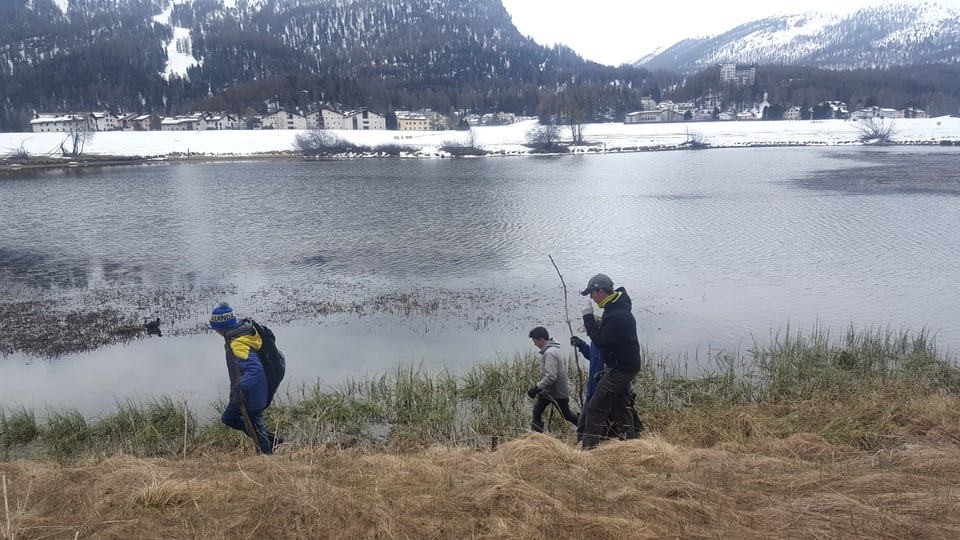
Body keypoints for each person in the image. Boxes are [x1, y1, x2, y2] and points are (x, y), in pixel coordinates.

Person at [579, 273, 643, 449]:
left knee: (594, 408)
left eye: (592, 293)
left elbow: (601, 342)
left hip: (620, 369)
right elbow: (607, 340)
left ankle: (588, 450)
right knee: (621, 404)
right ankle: (632, 440)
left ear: (600, 291)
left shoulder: (616, 314)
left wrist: (588, 318)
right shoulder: (614, 308)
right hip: (624, 366)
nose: (591, 297)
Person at [210, 302, 279, 454]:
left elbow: (255, 370)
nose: (216, 332)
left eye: (216, 328)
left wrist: (238, 387)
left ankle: (268, 458)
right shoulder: (238, 335)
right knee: (229, 418)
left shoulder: (238, 344)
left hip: (251, 392)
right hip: (249, 391)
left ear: (222, 328)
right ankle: (273, 441)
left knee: (257, 427)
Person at [527, 326, 580, 432]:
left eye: (535, 341)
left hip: (557, 392)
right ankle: (536, 438)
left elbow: (551, 376)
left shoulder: (549, 353)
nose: (534, 344)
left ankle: (587, 427)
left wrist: (537, 388)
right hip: (548, 392)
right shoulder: (551, 350)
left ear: (541, 340)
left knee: (567, 415)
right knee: (537, 411)